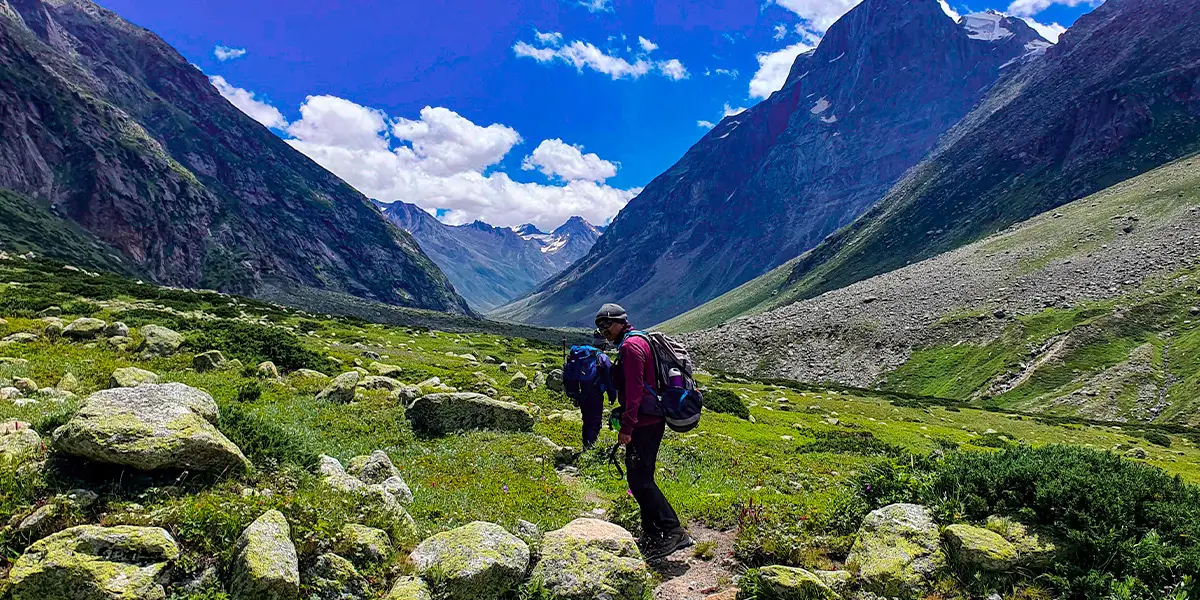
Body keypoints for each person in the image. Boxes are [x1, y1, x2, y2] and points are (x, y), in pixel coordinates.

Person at [595, 303, 693, 560]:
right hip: (648, 419)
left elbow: (636, 390)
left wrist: (627, 427)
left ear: (620, 322)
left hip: (645, 423)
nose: (603, 330)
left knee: (640, 480)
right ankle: (652, 531)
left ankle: (673, 530)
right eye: (599, 326)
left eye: (607, 324)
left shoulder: (630, 347)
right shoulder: (638, 340)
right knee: (640, 478)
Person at [562, 342, 615, 449]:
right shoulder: (602, 357)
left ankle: (586, 443)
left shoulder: (580, 355)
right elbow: (610, 379)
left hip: (581, 391)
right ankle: (590, 446)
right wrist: (612, 396)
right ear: (603, 345)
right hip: (595, 393)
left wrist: (574, 394)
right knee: (594, 419)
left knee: (586, 418)